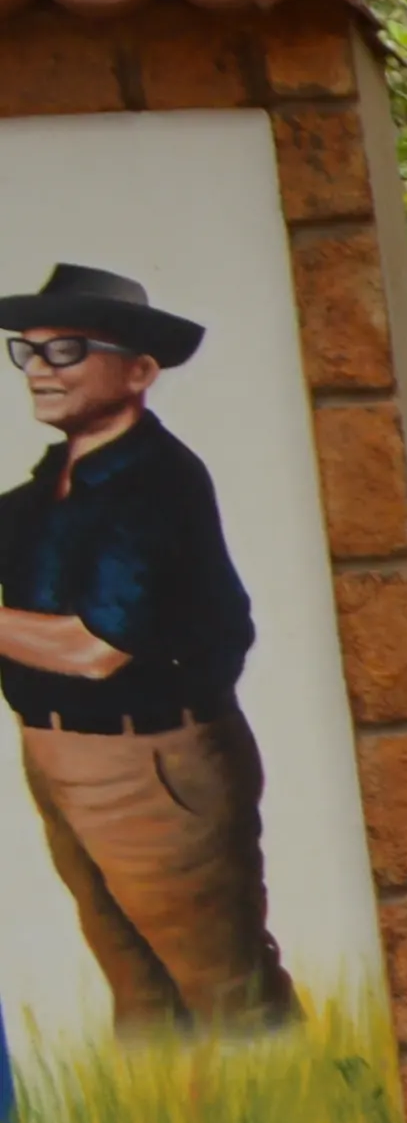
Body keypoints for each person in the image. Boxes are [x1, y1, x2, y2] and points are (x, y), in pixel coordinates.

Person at [0, 260, 290, 1029]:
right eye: (27, 352)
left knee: (226, 992)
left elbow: (96, 648)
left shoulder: (157, 482)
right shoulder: (45, 490)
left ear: (140, 370)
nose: (39, 372)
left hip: (153, 768)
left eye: (65, 351)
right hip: (61, 760)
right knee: (140, 992)